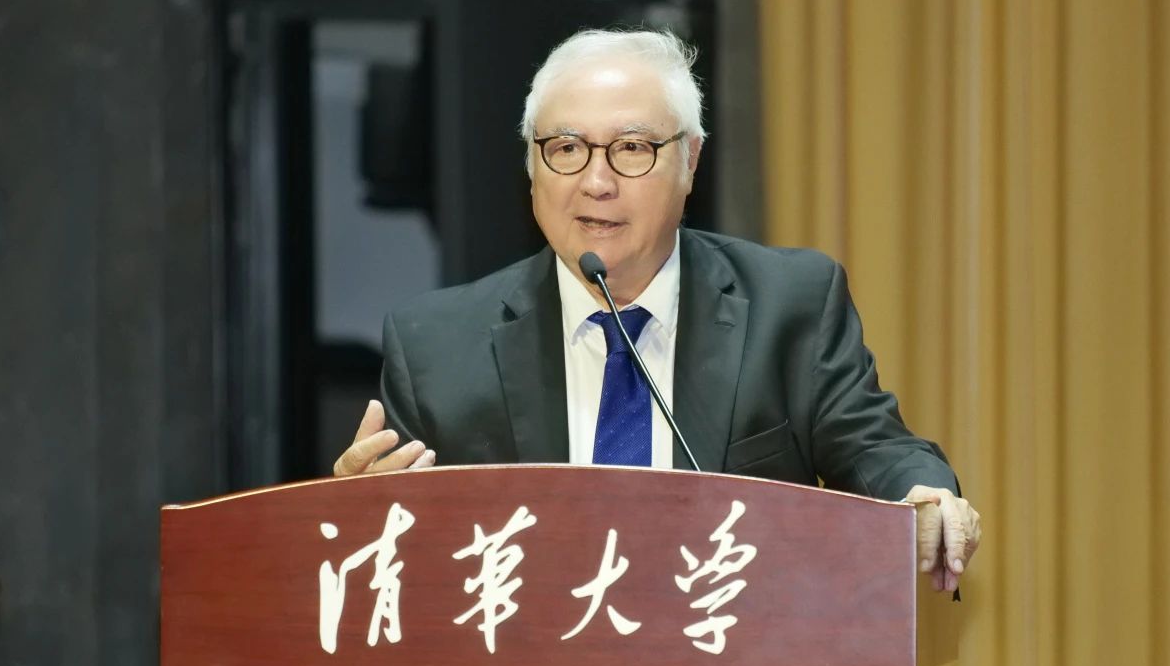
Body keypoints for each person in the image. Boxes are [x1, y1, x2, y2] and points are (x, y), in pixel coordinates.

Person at [333, 29, 981, 593]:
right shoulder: (436, 344)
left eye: (633, 148)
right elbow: (398, 565)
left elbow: (875, 447)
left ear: (690, 160)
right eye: (566, 148)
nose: (596, 182)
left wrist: (923, 496)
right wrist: (350, 519)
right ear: (532, 165)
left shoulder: (790, 304)